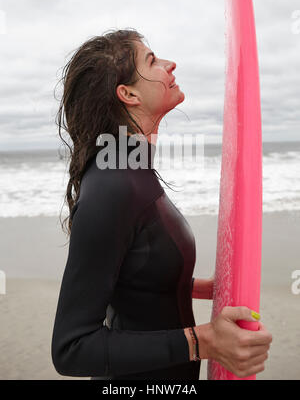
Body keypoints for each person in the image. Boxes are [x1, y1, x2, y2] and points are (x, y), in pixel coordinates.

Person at [51, 28, 272, 380]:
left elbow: (132, 277)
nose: (170, 65)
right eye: (152, 60)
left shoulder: (130, 169)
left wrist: (203, 287)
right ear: (128, 94)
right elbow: (71, 348)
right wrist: (203, 341)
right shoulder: (112, 186)